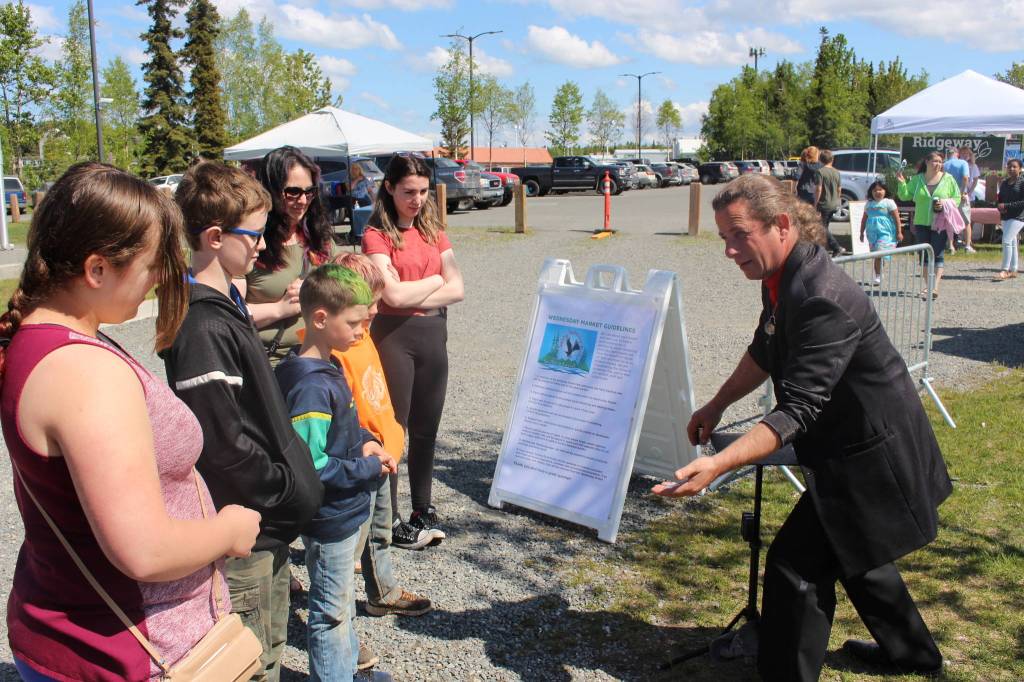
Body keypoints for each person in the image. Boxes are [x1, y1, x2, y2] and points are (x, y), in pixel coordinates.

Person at [653, 175, 951, 682]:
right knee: (857, 550)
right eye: (722, 237)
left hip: (873, 454)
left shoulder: (820, 295)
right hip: (848, 447)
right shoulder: (784, 277)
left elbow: (796, 411)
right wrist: (718, 404)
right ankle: (915, 655)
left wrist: (719, 465)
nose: (728, 250)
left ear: (782, 225)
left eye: (739, 234)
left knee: (795, 570)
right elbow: (766, 347)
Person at [0, 163, 261, 680]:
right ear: (97, 269)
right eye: (151, 264)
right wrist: (229, 529)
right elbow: (144, 550)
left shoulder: (44, 338)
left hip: (83, 634)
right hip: (125, 653)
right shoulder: (83, 371)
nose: (162, 277)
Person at [164, 162, 324, 682]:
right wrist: (280, 491)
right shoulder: (202, 325)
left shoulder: (228, 301)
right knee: (252, 662)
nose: (261, 247)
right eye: (253, 235)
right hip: (248, 529)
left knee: (273, 646)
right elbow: (222, 443)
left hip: (266, 529)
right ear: (214, 237)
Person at [275, 264, 397, 682]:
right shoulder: (310, 385)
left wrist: (363, 437)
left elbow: (335, 434)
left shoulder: (321, 366)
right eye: (355, 322)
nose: (363, 330)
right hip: (331, 518)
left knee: (341, 602)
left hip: (341, 510)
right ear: (321, 319)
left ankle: (346, 671)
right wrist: (367, 465)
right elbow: (312, 465)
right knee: (330, 612)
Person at [362, 154, 465, 549]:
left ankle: (423, 508)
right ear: (389, 188)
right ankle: (388, 523)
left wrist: (420, 290)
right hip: (393, 337)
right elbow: (392, 295)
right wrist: (437, 276)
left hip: (432, 335)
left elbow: (460, 290)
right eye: (409, 191)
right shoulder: (377, 235)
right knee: (393, 431)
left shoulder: (433, 229)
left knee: (427, 430)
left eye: (423, 191)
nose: (417, 199)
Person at [332, 253, 436, 604]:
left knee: (380, 532)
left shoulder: (363, 337)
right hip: (361, 460)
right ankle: (339, 626)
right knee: (350, 548)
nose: (376, 311)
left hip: (382, 456)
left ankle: (383, 592)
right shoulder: (338, 348)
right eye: (369, 303)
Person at [244, 146, 337, 363]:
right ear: (271, 190)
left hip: (319, 361)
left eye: (309, 192)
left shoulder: (319, 238)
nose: (303, 201)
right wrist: (279, 309)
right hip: (271, 363)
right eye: (293, 192)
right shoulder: (251, 243)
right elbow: (229, 314)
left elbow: (342, 294)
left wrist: (313, 290)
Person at [896, 151, 962, 299]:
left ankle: (935, 287)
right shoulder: (918, 179)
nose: (938, 164)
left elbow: (957, 198)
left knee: (937, 255)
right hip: (921, 222)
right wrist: (901, 182)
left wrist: (944, 204)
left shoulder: (948, 179)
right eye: (935, 161)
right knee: (924, 255)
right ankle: (928, 286)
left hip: (940, 223)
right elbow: (904, 195)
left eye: (940, 161)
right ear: (926, 162)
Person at [859, 180, 903, 284]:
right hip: (872, 234)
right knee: (877, 255)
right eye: (875, 190)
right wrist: (861, 232)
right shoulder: (869, 204)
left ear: (885, 191)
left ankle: (878, 276)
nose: (877, 192)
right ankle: (879, 272)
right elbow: (864, 219)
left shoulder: (889, 202)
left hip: (885, 233)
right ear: (871, 192)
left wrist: (899, 232)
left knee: (879, 252)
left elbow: (897, 218)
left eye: (880, 190)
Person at [994, 157, 1024, 281]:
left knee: (1006, 240)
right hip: (1006, 216)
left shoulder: (1022, 182)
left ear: (1020, 169)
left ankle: (1004, 270)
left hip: (1019, 216)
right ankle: (1014, 269)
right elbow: (1000, 199)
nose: (1011, 169)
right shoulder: (1004, 183)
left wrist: (1006, 206)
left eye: (1014, 166)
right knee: (1011, 242)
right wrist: (999, 206)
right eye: (1009, 166)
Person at [816, 150, 844, 256]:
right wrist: (837, 199)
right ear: (832, 159)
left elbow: (819, 188)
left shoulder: (820, 172)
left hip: (824, 203)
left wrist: (815, 202)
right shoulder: (836, 172)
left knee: (821, 227)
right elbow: (839, 189)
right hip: (833, 203)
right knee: (825, 226)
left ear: (820, 160)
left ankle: (836, 247)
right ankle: (823, 249)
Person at [958, 146, 980, 253]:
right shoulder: (958, 164)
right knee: (958, 219)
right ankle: (959, 239)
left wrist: (969, 192)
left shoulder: (973, 166)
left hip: (969, 196)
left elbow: (975, 181)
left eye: (967, 154)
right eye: (963, 153)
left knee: (968, 220)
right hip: (958, 195)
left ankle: (968, 240)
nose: (965, 155)